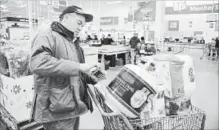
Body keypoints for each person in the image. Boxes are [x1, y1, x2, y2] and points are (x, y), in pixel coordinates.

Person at [30, 5, 99, 130]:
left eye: (82, 25)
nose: (80, 27)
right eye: (79, 23)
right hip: (56, 109)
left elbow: (76, 71)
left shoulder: (72, 42)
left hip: (72, 105)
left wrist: (91, 77)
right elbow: (38, 64)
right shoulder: (47, 36)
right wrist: (78, 67)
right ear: (66, 18)